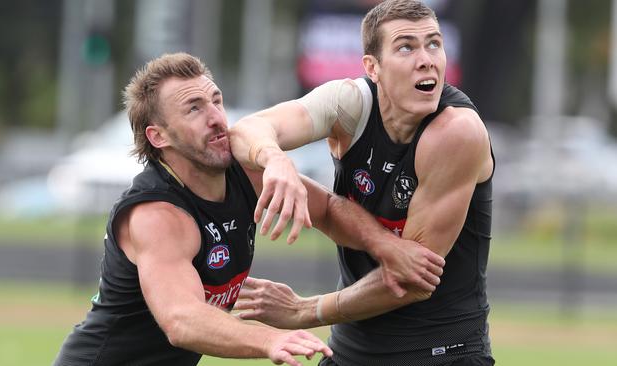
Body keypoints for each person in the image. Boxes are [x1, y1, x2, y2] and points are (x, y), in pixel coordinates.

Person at [52, 52, 445, 366]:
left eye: (216, 100)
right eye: (193, 109)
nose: (216, 118)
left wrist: (386, 247)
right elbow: (181, 320)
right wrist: (272, 339)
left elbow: (325, 209)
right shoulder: (157, 214)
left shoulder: (244, 175)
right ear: (158, 136)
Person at [229, 1, 495, 365]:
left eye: (434, 44)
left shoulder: (456, 131)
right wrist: (275, 160)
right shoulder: (350, 105)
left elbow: (411, 281)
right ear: (372, 67)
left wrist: (304, 310)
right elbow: (246, 131)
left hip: (440, 353)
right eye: (406, 47)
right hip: (351, 350)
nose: (426, 59)